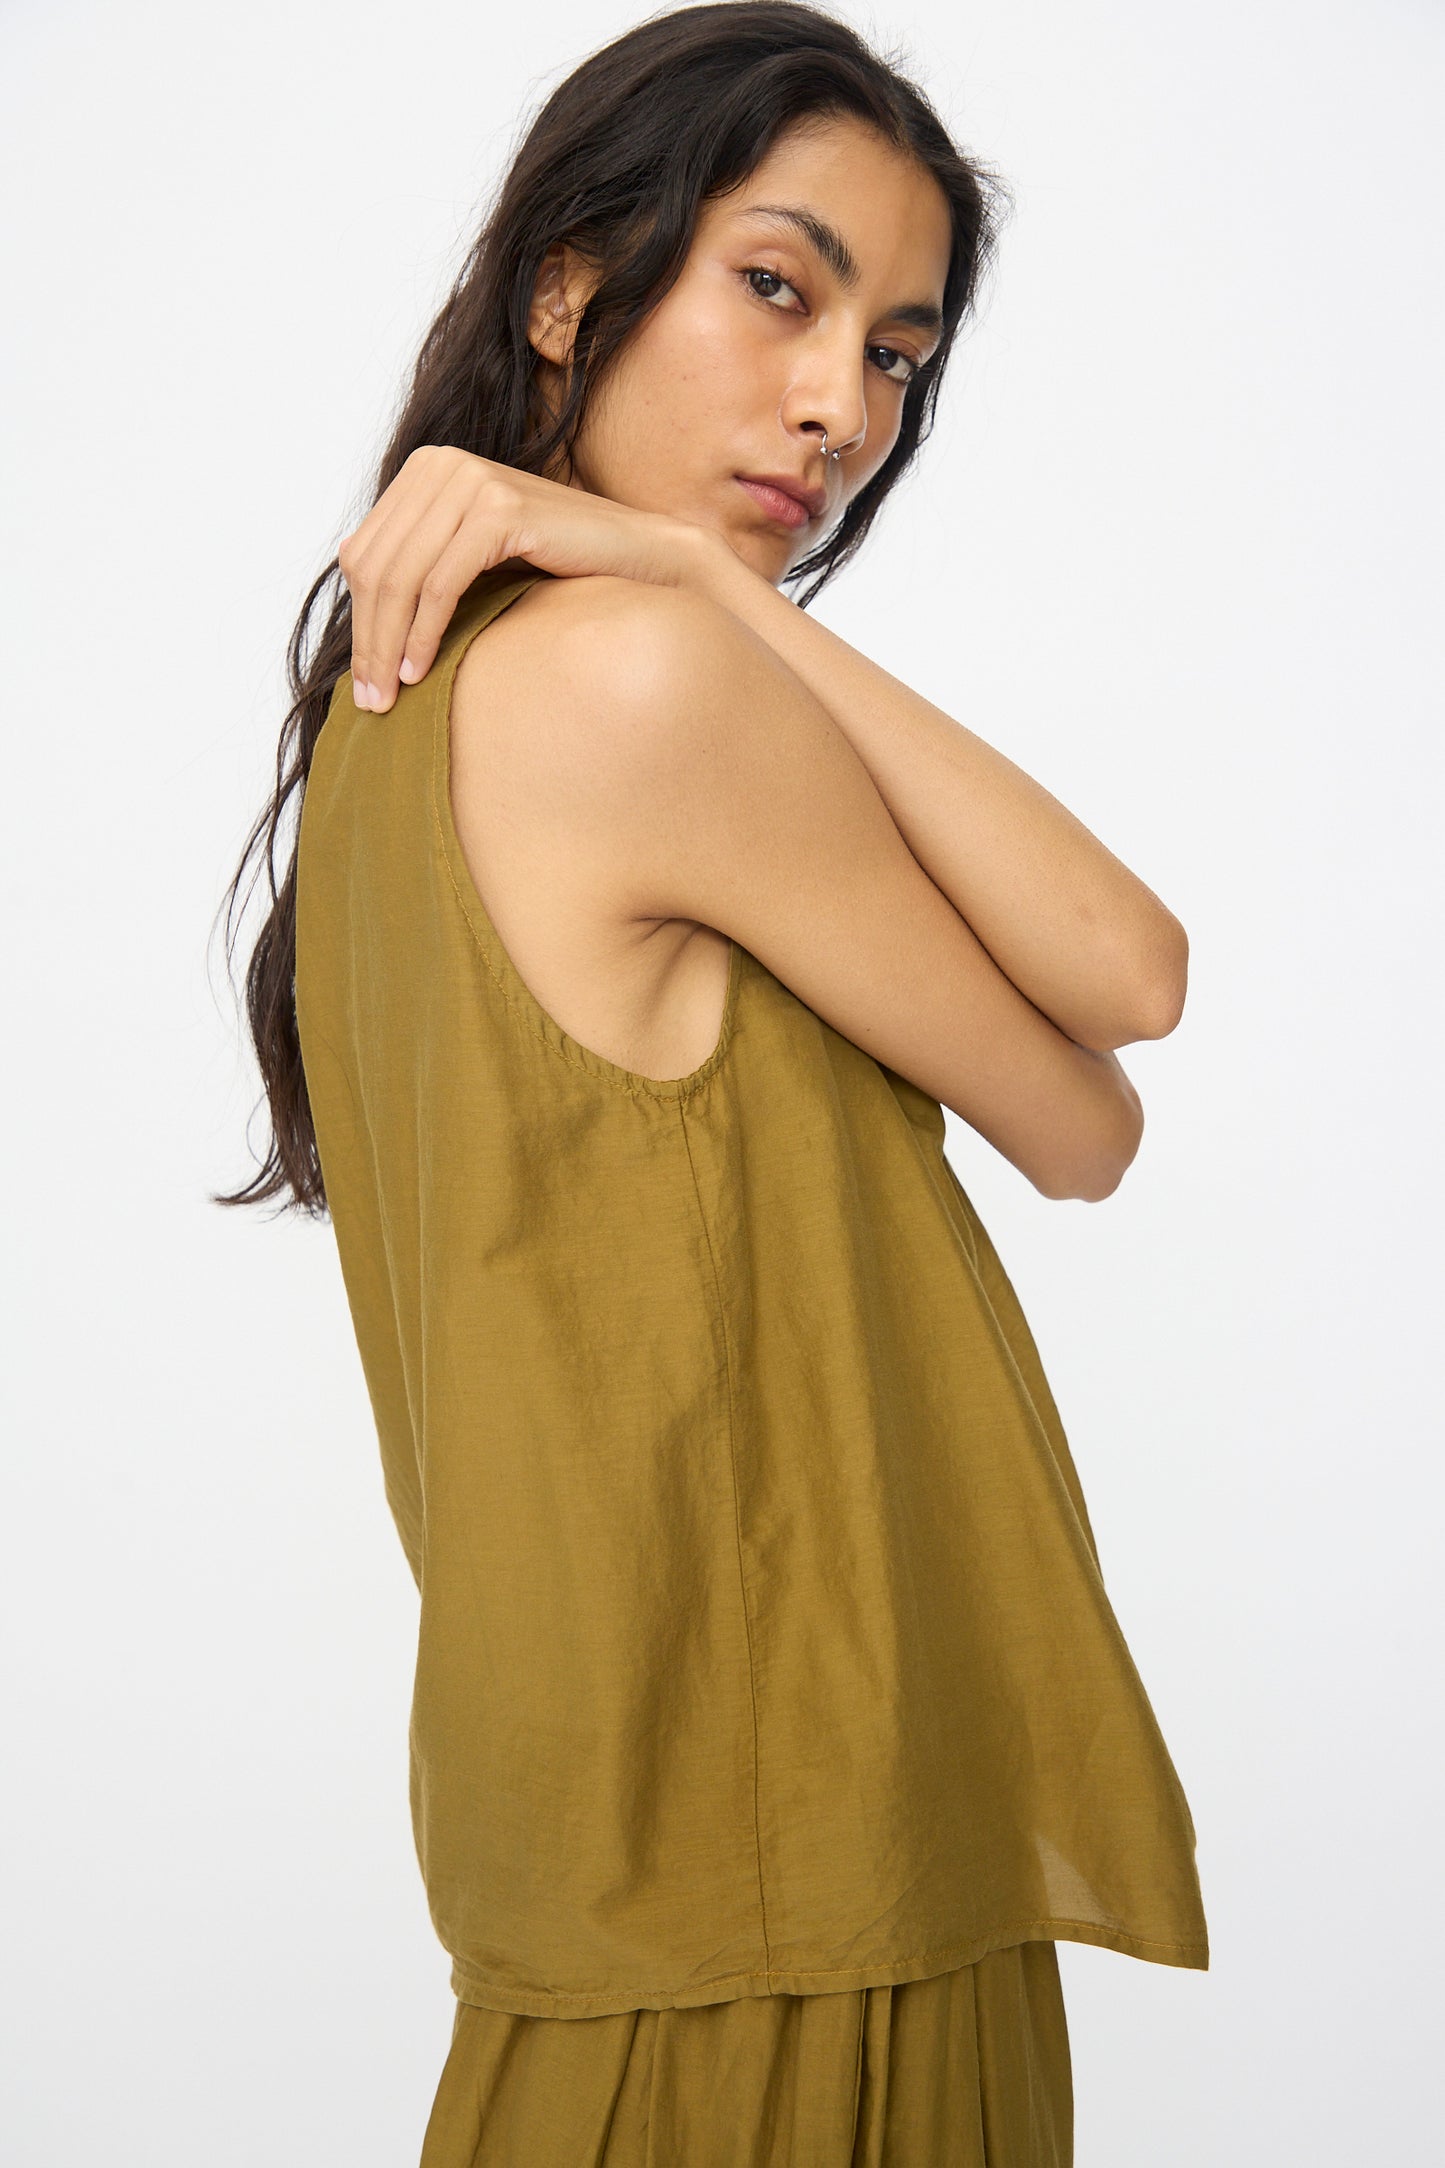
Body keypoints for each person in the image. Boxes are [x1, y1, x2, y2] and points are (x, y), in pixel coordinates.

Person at [215, 5, 1207, 2160]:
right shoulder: (637, 684)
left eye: (902, 353)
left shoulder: (401, 717)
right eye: (782, 285)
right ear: (571, 280)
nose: (840, 403)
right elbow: (1109, 1049)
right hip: (798, 1873)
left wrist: (678, 561)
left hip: (628, 1850)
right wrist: (696, 594)